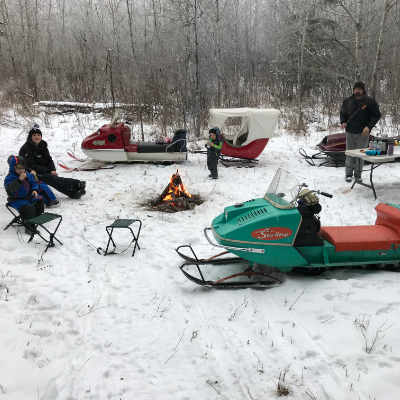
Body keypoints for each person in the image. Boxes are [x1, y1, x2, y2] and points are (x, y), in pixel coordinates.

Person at [19, 125, 86, 199]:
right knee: (50, 178)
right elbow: (32, 166)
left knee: (53, 179)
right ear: (30, 137)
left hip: (43, 171)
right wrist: (49, 172)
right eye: (34, 135)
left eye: (38, 135)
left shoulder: (43, 145)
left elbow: (49, 159)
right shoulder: (25, 149)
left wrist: (52, 170)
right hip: (30, 173)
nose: (37, 137)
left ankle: (73, 193)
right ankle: (76, 183)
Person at [340, 81, 381, 183]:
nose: (357, 91)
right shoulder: (347, 101)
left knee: (361, 154)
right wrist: (343, 122)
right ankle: (348, 174)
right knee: (350, 153)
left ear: (363, 90)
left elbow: (377, 115)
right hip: (350, 131)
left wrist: (369, 126)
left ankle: (358, 175)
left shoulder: (370, 101)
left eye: (359, 89)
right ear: (353, 90)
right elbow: (342, 113)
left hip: (363, 132)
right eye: (356, 89)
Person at [4, 155, 45, 233]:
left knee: (39, 200)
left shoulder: (28, 175)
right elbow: (11, 188)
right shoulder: (10, 177)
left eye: (22, 168)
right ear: (13, 168)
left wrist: (35, 190)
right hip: (15, 199)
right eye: (18, 168)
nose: (21, 170)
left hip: (28, 196)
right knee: (28, 208)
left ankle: (36, 219)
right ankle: (29, 227)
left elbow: (33, 183)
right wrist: (19, 180)